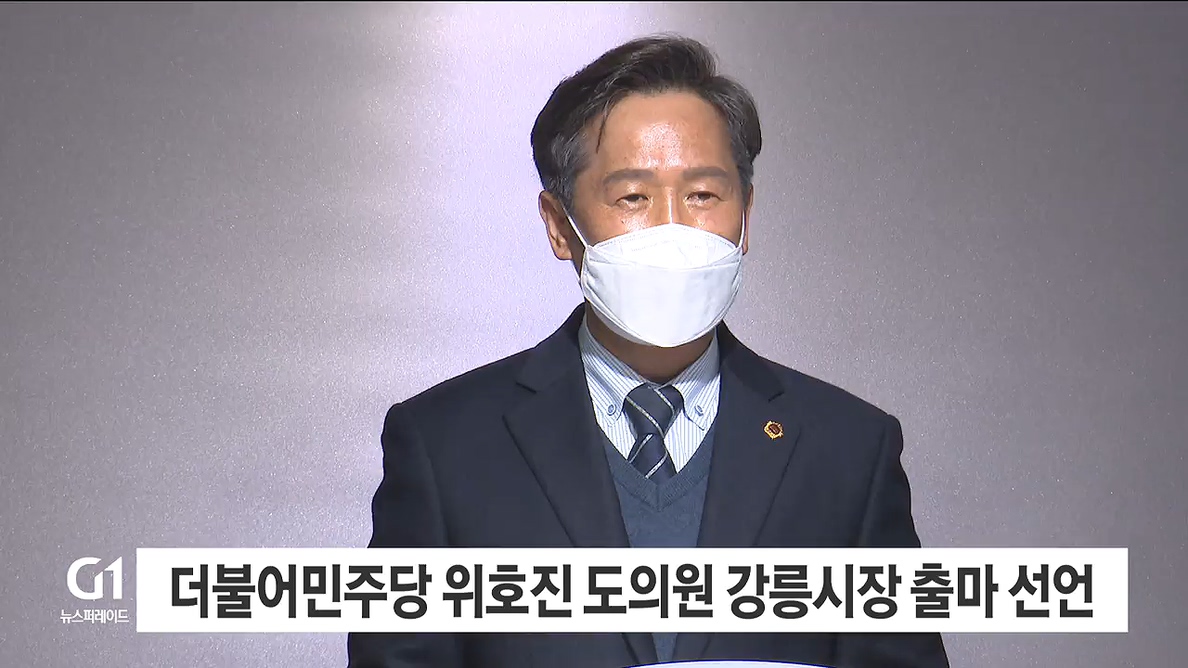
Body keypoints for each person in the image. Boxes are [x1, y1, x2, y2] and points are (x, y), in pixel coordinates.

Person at [347, 34, 949, 668]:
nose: (672, 226)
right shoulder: (446, 445)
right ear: (558, 225)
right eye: (632, 197)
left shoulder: (848, 449)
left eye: (703, 195)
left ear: (746, 215)